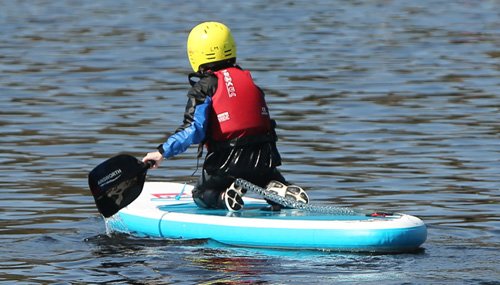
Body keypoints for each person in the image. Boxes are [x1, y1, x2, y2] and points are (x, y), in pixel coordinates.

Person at [142, 21, 308, 211]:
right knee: (265, 178)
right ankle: (278, 190)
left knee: (201, 195)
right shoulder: (248, 81)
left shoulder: (205, 87)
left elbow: (193, 130)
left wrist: (162, 152)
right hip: (265, 157)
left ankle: (224, 196)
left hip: (228, 161)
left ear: (195, 54)